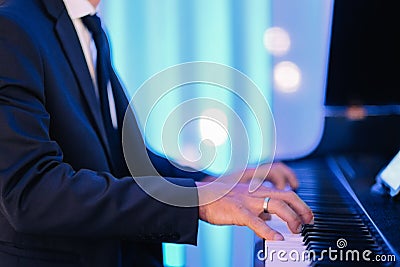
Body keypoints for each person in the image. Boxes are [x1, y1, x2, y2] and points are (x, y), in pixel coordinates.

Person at [0, 0, 314, 266]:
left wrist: (210, 182)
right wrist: (194, 201)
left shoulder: (88, 27)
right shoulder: (11, 28)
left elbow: (120, 157)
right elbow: (30, 191)